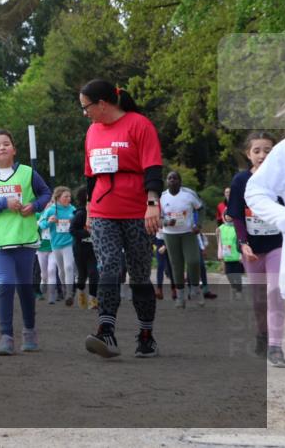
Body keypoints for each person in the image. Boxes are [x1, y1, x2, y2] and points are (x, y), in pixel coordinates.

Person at [79, 80, 163, 359]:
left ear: (102, 104)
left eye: (86, 107)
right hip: (104, 211)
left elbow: (152, 168)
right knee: (110, 266)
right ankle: (106, 331)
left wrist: (152, 204)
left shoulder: (139, 124)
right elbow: (90, 176)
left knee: (139, 273)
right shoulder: (92, 132)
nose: (85, 113)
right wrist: (90, 208)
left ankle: (146, 335)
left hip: (137, 210)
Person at [0, 128, 52, 355]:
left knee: (25, 288)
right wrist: (3, 203)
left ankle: (29, 331)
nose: (2, 147)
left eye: (6, 143)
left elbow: (46, 193)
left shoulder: (28, 173)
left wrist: (34, 206)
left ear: (14, 149)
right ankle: (6, 336)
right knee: (6, 284)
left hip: (24, 239)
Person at [229, 132, 285, 367]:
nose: (263, 155)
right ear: (248, 154)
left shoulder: (280, 177)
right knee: (260, 299)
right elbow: (237, 216)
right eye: (257, 151)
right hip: (251, 248)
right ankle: (262, 335)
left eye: (268, 150)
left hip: (277, 245)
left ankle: (275, 346)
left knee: (275, 292)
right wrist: (243, 242)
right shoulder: (242, 181)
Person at [160, 171, 205, 308]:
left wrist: (199, 225)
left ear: (180, 181)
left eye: (175, 178)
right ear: (166, 181)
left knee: (193, 261)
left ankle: (196, 290)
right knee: (176, 265)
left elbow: (201, 208)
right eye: (169, 178)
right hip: (170, 234)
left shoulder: (189, 194)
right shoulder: (162, 197)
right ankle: (180, 297)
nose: (172, 180)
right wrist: (166, 223)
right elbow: (156, 217)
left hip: (188, 233)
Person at [39, 187, 77, 306]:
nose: (68, 199)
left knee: (69, 266)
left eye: (69, 196)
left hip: (69, 242)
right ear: (58, 198)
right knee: (61, 270)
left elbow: (80, 223)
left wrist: (74, 222)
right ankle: (65, 288)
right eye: (66, 196)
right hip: (55, 244)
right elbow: (41, 225)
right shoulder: (51, 210)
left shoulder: (73, 209)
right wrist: (50, 221)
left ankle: (69, 294)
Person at [70, 187, 99, 310]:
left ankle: (93, 300)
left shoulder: (97, 212)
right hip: (80, 249)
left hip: (93, 250)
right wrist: (87, 233)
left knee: (94, 274)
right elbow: (72, 230)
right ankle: (81, 294)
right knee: (82, 275)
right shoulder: (81, 213)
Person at [216, 214, 244, 301]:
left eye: (230, 215)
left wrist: (241, 255)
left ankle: (239, 291)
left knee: (237, 275)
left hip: (237, 256)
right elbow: (219, 242)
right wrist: (220, 253)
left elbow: (242, 241)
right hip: (227, 256)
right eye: (226, 215)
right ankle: (234, 287)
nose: (228, 217)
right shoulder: (221, 228)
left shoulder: (239, 226)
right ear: (224, 216)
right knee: (228, 274)